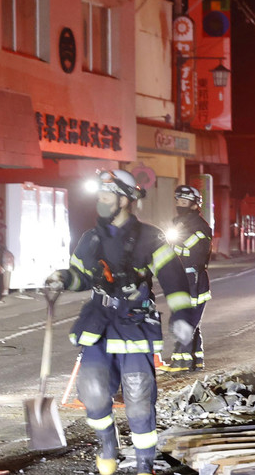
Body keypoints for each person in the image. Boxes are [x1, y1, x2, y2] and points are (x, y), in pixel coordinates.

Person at [46, 169, 196, 475]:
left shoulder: (150, 238)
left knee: (140, 398)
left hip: (135, 326)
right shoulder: (90, 239)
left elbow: (174, 281)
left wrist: (182, 317)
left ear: (125, 200)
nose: (100, 201)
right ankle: (108, 446)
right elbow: (82, 277)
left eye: (106, 195)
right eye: (99, 195)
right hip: (98, 324)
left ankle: (144, 466)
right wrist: (63, 278)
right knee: (92, 392)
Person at [161, 184, 212, 372]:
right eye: (179, 201)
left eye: (185, 202)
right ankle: (195, 361)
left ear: (194, 205)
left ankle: (180, 362)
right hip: (182, 278)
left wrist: (173, 245)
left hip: (194, 279)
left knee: (185, 320)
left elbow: (193, 253)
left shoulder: (200, 226)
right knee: (191, 321)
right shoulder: (177, 223)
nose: (180, 205)